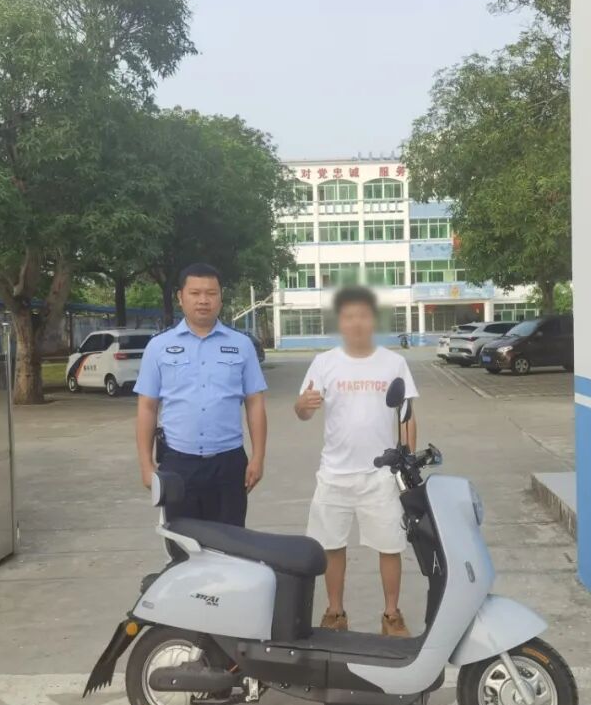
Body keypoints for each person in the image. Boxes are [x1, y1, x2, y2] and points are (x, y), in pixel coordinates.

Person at [294, 286, 418, 637]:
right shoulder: (324, 363)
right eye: (349, 316)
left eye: (363, 315)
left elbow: (407, 415)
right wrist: (303, 406)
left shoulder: (394, 363)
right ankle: (335, 612)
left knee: (390, 546)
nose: (357, 322)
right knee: (331, 546)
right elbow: (303, 411)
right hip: (334, 473)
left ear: (373, 320)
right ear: (340, 322)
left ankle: (391, 615)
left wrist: (408, 462)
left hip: (381, 476)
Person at [135, 263, 267, 526]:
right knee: (182, 540)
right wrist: (146, 465)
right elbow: (147, 407)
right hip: (178, 464)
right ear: (180, 297)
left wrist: (258, 457)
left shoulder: (241, 345)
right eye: (195, 293)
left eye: (211, 293)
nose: (203, 300)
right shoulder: (159, 347)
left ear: (221, 298)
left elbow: (255, 403)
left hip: (228, 464)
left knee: (230, 543)